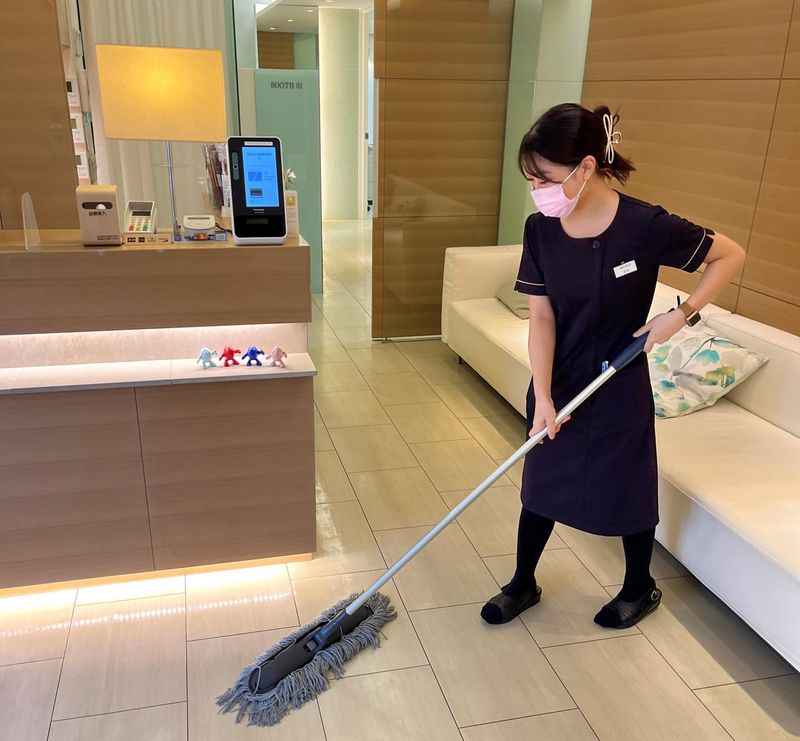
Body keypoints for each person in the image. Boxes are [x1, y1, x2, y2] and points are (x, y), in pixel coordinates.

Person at [480, 103, 746, 629]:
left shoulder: (644, 224)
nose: (536, 191)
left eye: (544, 179)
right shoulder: (541, 230)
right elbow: (541, 317)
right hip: (559, 378)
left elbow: (730, 255)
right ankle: (523, 582)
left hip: (619, 379)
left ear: (585, 167)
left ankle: (639, 587)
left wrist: (682, 315)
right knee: (542, 481)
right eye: (530, 180)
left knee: (628, 486)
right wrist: (544, 396)